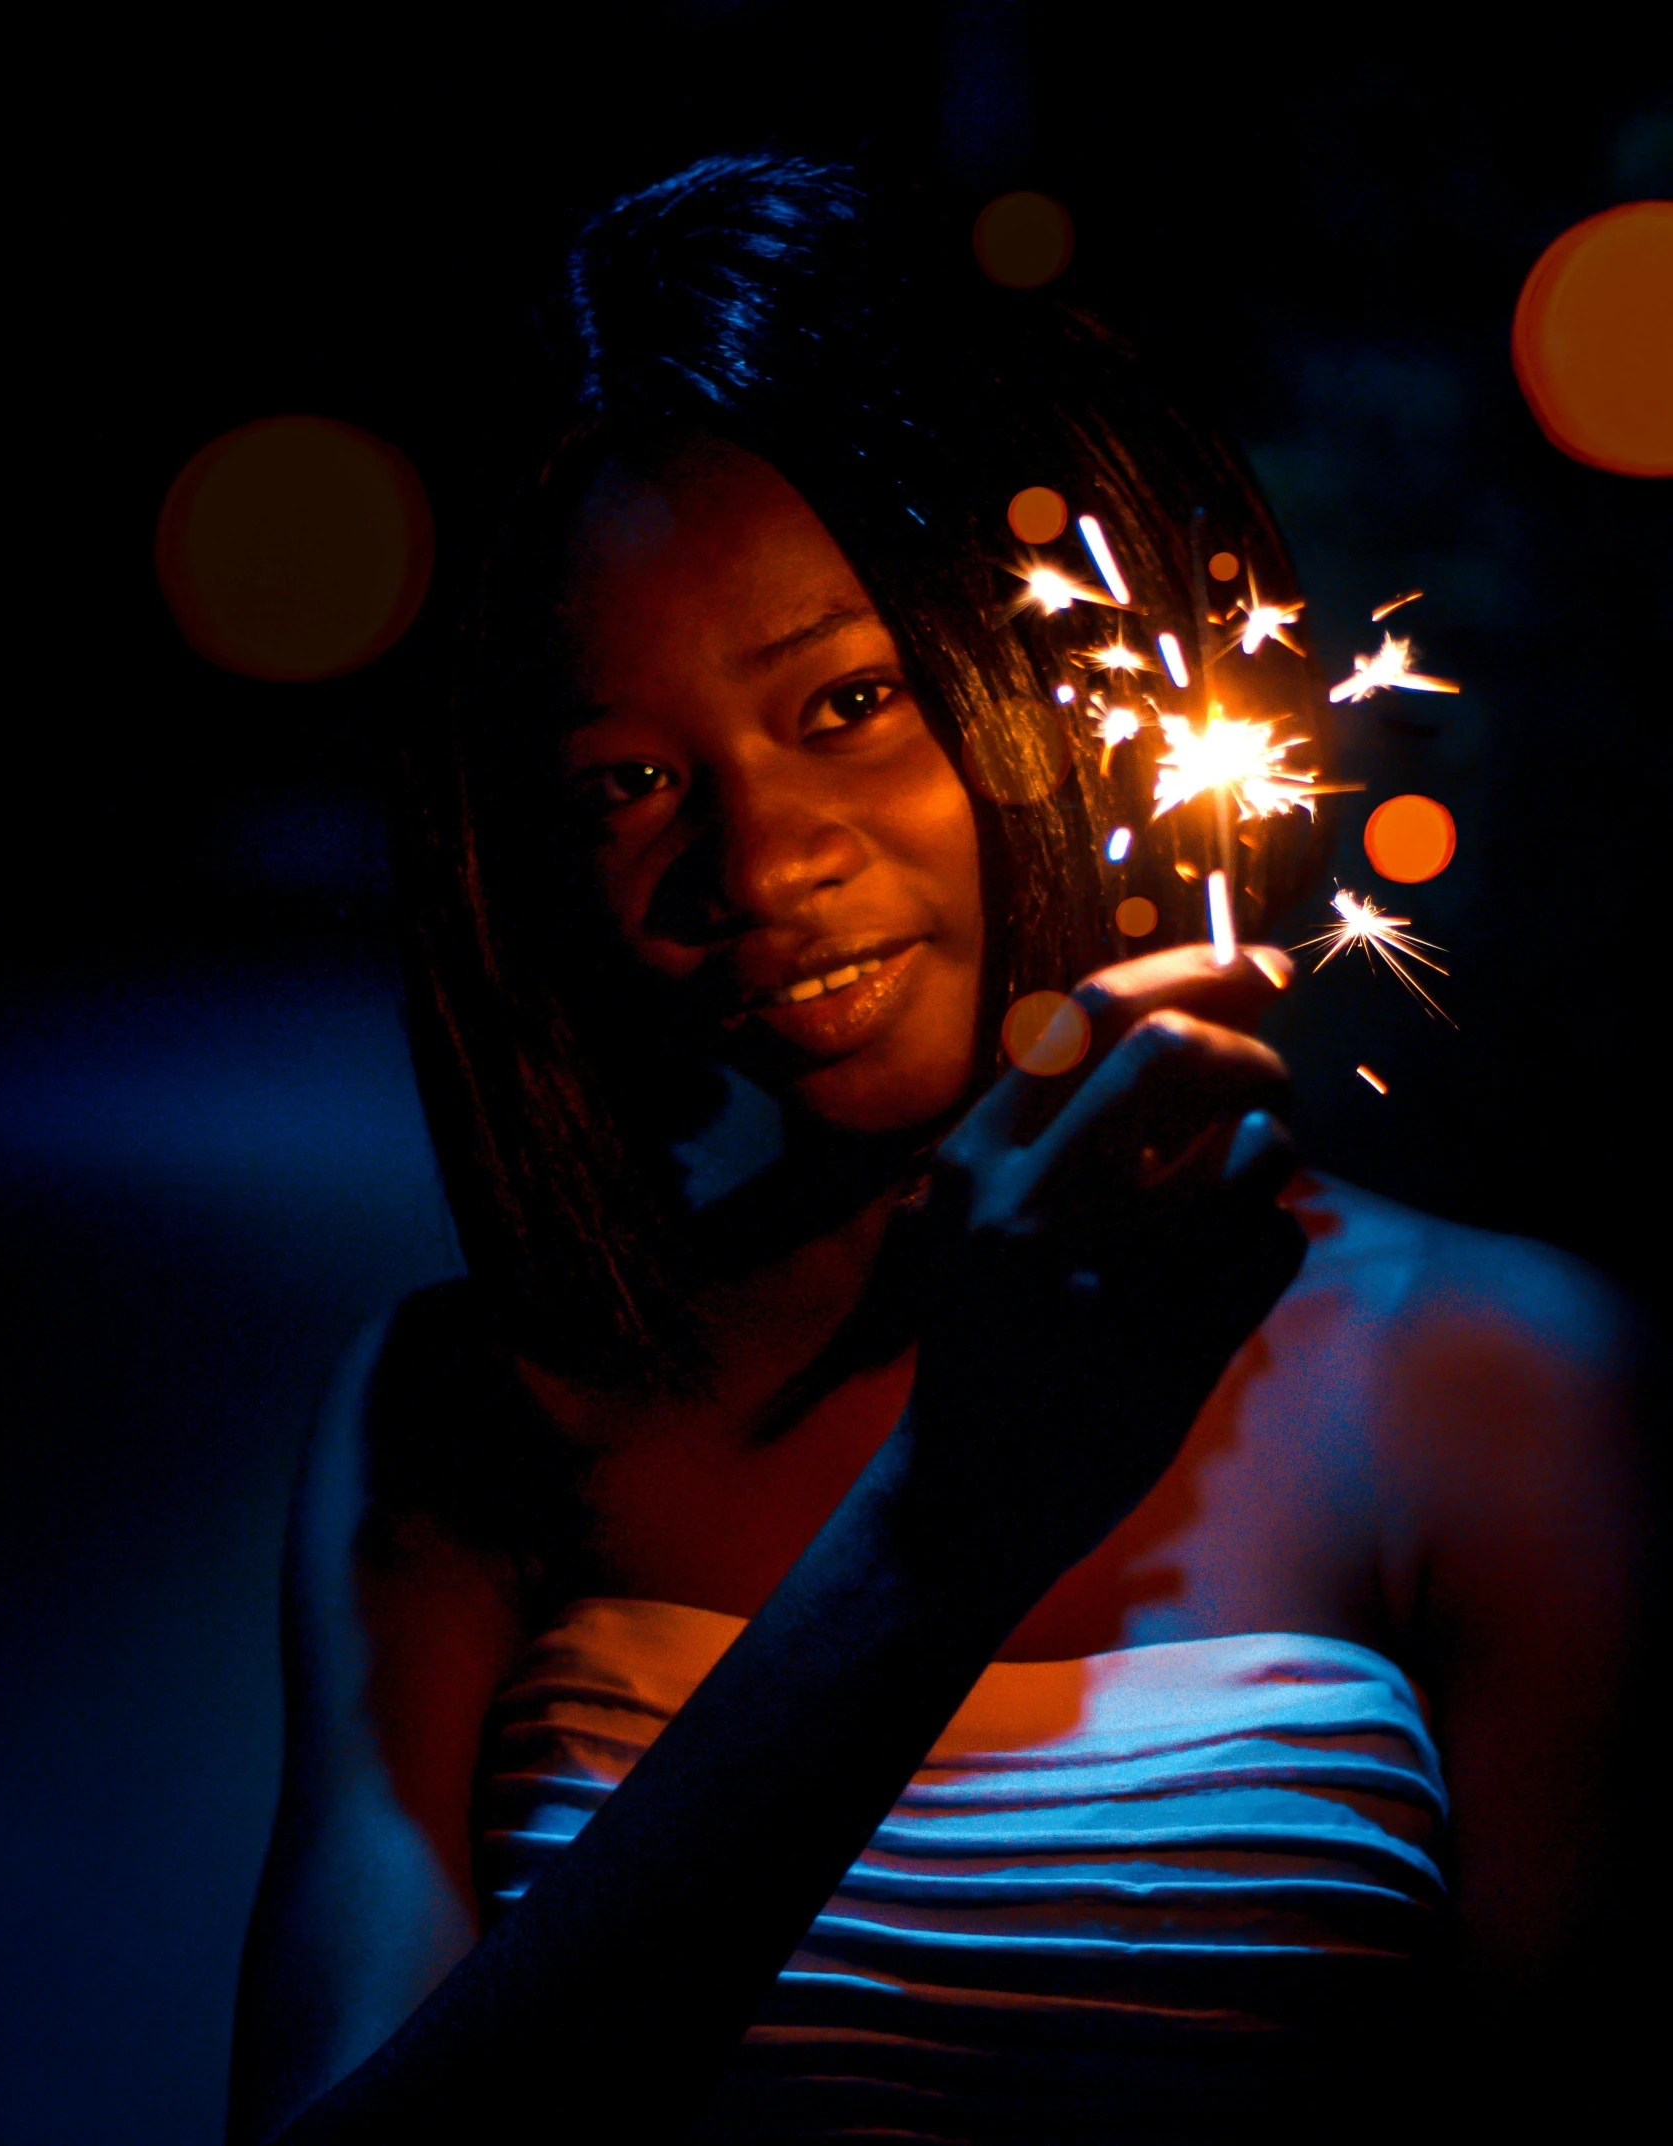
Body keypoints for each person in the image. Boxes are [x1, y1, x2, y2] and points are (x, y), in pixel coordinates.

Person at [226, 157, 1644, 2144]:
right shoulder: (473, 1416)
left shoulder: (1499, 1383)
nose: (757, 867)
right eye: (629, 779)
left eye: (850, 701)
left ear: (1056, 675)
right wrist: (933, 1538)